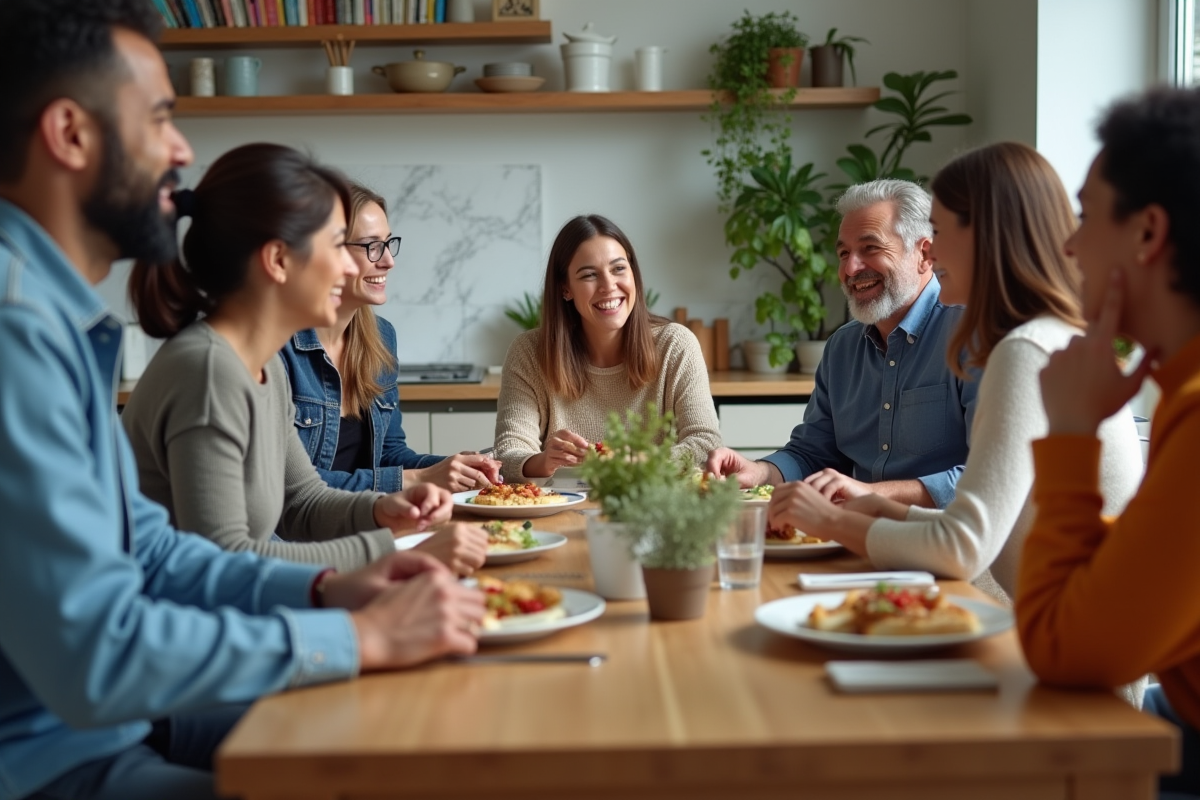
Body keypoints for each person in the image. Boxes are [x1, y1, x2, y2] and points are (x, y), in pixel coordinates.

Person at [0, 4, 483, 798]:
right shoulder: (22, 329)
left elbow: (150, 549)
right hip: (54, 759)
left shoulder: (58, 318)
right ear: (70, 133)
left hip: (96, 735)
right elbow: (97, 655)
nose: (181, 149)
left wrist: (330, 589)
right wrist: (351, 633)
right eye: (160, 117)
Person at [763, 143, 1143, 599]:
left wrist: (832, 520)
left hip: (1065, 643)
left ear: (985, 238)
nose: (933, 249)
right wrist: (866, 507)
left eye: (940, 231)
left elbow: (963, 545)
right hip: (1047, 623)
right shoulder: (1034, 337)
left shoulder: (1024, 349)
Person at [121, 145, 487, 576]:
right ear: (278, 260)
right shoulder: (208, 371)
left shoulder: (262, 365)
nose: (346, 267)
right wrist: (394, 551)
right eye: (336, 245)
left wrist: (386, 509)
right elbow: (224, 562)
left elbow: (301, 500)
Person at [1015, 87, 1200, 798]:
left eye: (1087, 215)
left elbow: (1064, 647)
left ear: (1148, 233)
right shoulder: (1180, 389)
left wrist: (1069, 431)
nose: (1068, 244)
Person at [707, 179, 977, 510]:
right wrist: (759, 471)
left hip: (945, 545)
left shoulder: (971, 333)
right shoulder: (841, 348)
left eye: (871, 248)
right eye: (843, 253)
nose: (850, 268)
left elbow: (987, 479)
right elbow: (812, 454)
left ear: (924, 254)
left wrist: (870, 493)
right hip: (852, 537)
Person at [279, 181, 502, 493]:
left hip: (364, 521)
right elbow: (288, 488)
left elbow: (388, 455)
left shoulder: (380, 337)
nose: (387, 261)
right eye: (371, 246)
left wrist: (449, 467)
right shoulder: (278, 348)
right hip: (299, 538)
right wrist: (420, 479)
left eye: (387, 243)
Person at [493, 214, 722, 481]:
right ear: (566, 288)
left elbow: (706, 445)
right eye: (589, 275)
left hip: (656, 509)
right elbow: (508, 454)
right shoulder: (529, 352)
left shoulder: (676, 345)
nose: (609, 286)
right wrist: (543, 461)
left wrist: (637, 461)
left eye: (618, 269)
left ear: (633, 274)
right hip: (560, 508)